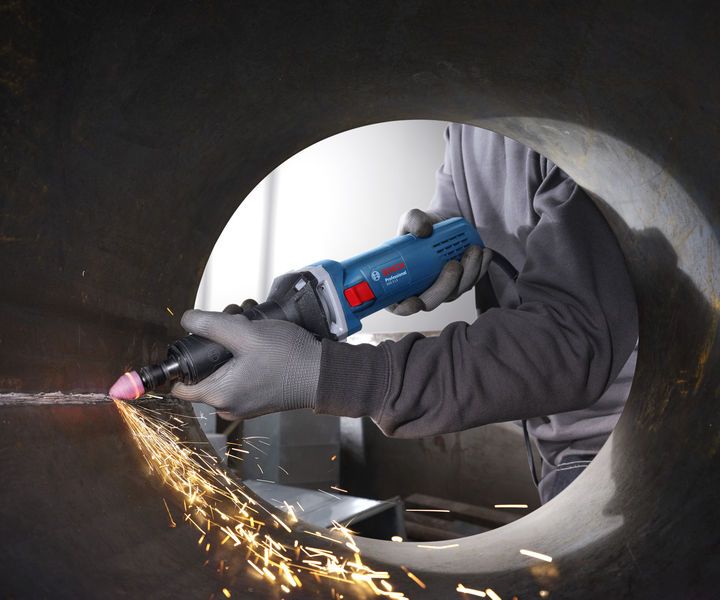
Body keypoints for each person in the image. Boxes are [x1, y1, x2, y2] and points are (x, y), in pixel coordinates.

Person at [172, 123, 638, 503]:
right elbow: (464, 215)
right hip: (557, 445)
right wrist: (431, 240)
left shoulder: (582, 127)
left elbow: (574, 342)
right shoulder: (467, 125)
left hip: (626, 448)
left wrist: (327, 374)